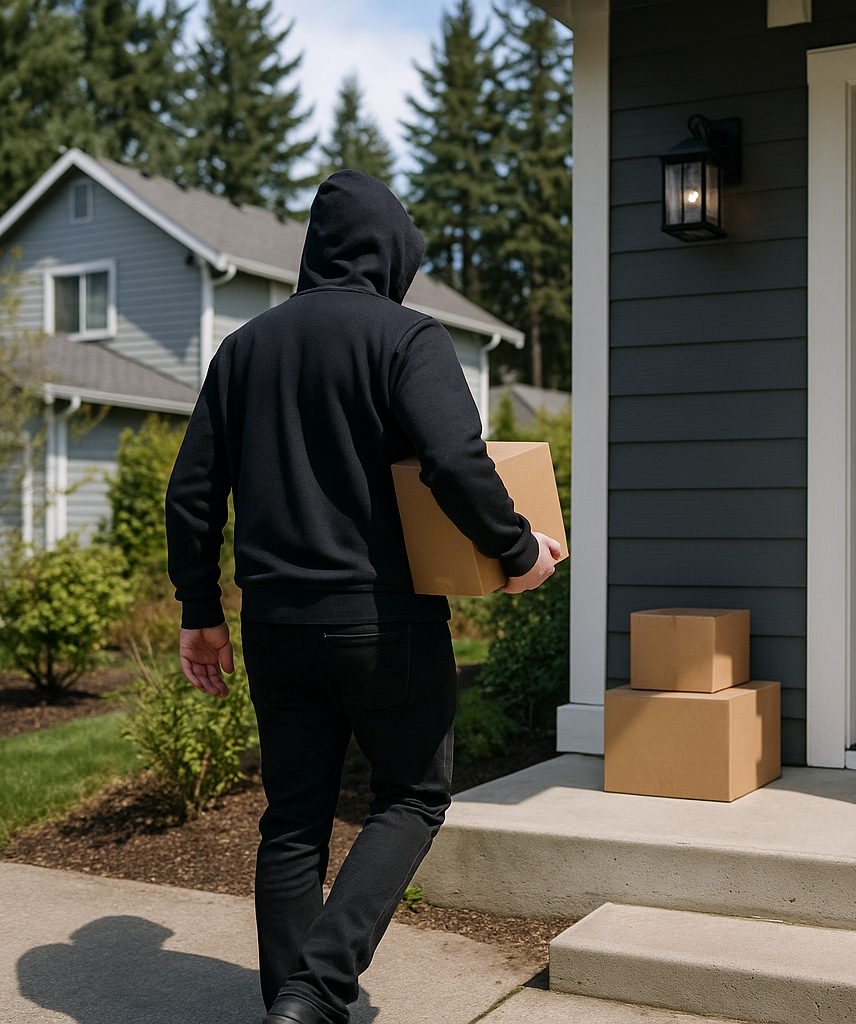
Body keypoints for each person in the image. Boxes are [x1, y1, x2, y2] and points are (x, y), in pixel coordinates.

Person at [165, 170, 562, 1024]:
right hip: (385, 623)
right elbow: (455, 462)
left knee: (293, 817)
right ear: (391, 255)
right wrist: (519, 550)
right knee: (413, 796)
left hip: (275, 624)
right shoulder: (408, 337)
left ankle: (293, 1009)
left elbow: (191, 493)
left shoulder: (243, 350)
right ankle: (316, 992)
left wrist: (200, 612)